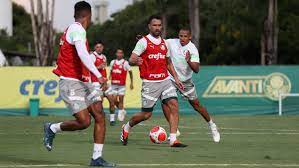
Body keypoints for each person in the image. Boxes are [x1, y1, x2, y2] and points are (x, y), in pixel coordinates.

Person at [43, 1, 115, 167]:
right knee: (84, 122)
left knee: (99, 115)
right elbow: (83, 54)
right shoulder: (77, 29)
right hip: (70, 82)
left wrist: (93, 78)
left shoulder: (76, 30)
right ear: (88, 16)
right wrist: (100, 76)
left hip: (84, 82)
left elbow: (83, 58)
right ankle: (52, 128)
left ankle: (97, 158)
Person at [120, 15, 187, 147]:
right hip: (150, 83)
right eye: (154, 25)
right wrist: (136, 60)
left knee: (174, 104)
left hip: (165, 80)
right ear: (149, 27)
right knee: (146, 115)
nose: (157, 28)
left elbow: (168, 63)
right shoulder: (143, 42)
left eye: (159, 25)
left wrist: (177, 78)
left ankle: (173, 139)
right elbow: (131, 59)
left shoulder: (164, 43)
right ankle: (127, 127)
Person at [164, 27, 220, 142]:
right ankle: (174, 130)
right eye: (180, 36)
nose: (182, 38)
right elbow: (157, 41)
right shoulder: (171, 42)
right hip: (171, 79)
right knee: (165, 101)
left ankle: (212, 125)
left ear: (189, 37)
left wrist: (188, 60)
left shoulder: (192, 49)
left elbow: (196, 69)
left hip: (186, 82)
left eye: (185, 36)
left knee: (196, 105)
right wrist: (143, 39)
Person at [91, 42, 115, 126]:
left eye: (100, 47)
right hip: (95, 83)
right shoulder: (92, 56)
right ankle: (98, 118)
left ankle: (112, 120)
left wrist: (105, 82)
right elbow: (88, 68)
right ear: (95, 48)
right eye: (97, 47)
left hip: (104, 83)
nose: (99, 48)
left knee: (112, 100)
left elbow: (104, 70)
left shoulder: (104, 57)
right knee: (99, 103)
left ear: (103, 47)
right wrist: (98, 67)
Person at [107, 49, 133, 125]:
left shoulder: (125, 63)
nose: (119, 54)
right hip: (114, 84)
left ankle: (120, 114)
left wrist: (131, 83)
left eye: (121, 53)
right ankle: (122, 110)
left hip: (121, 85)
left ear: (123, 54)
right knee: (113, 100)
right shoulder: (113, 62)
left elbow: (130, 72)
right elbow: (111, 70)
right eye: (118, 52)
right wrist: (109, 76)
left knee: (121, 100)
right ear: (116, 54)